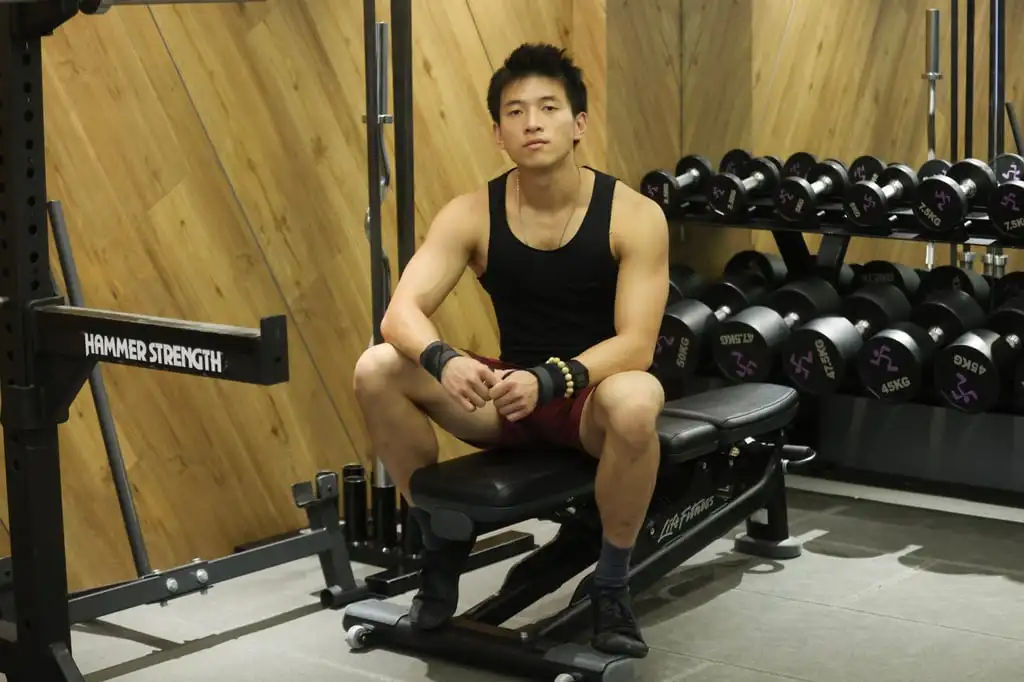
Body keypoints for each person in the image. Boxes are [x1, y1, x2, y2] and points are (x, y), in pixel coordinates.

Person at [353, 42, 669, 659]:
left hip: (591, 397)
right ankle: (439, 548)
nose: (532, 121)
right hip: (506, 399)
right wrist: (447, 360)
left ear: (578, 125)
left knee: (638, 399)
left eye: (549, 107)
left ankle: (610, 585)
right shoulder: (471, 213)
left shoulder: (634, 216)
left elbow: (637, 345)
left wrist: (552, 381)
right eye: (515, 111)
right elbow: (400, 314)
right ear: (498, 132)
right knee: (378, 368)